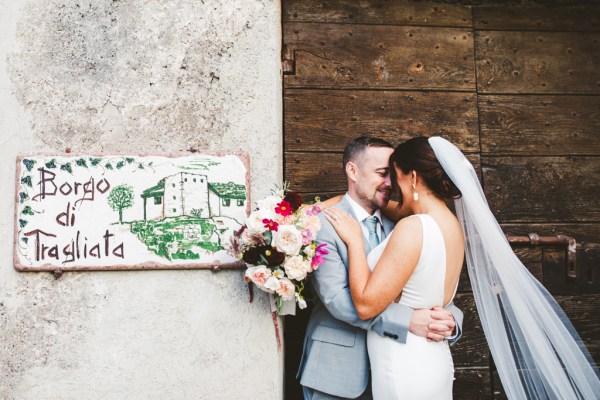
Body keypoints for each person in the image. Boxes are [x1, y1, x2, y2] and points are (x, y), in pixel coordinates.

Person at [324, 136, 600, 399]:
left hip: (404, 362)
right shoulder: (452, 227)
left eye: (395, 176)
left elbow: (365, 305)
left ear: (414, 178)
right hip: (433, 357)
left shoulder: (412, 227)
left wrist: (355, 243)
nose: (392, 186)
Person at [297, 136, 463, 400]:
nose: (390, 184)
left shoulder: (405, 222)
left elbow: (426, 283)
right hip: (339, 372)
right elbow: (339, 300)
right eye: (382, 174)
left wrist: (450, 319)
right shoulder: (324, 225)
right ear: (352, 171)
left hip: (399, 367)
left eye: (393, 176)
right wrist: (408, 320)